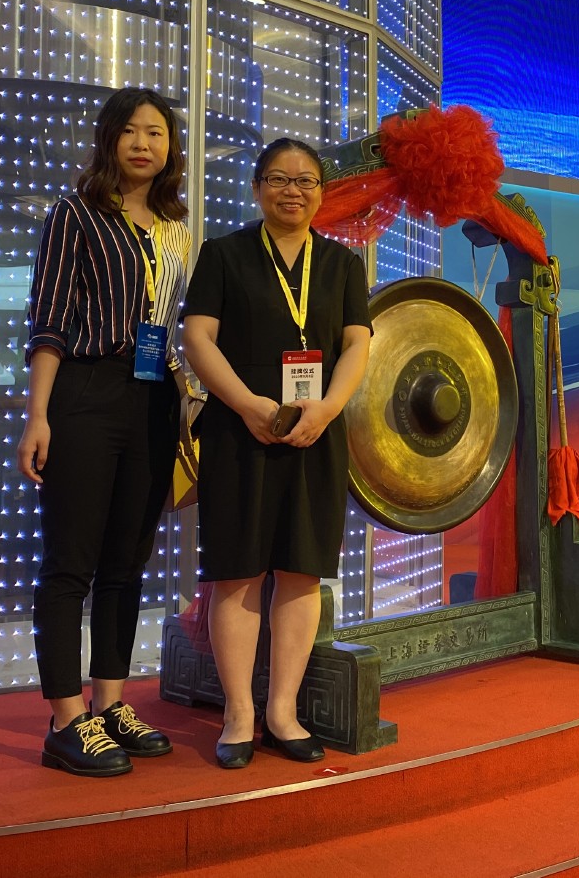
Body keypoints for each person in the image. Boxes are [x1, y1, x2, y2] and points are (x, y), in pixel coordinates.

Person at [16, 87, 192, 777]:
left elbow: (174, 325)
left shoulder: (177, 227)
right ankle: (65, 720)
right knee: (70, 564)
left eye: (157, 132)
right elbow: (50, 321)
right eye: (131, 131)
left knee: (127, 562)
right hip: (86, 391)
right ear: (109, 139)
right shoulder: (75, 212)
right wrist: (38, 414)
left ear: (171, 147)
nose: (144, 144)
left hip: (153, 398)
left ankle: (110, 704)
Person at [183, 138, 372, 769]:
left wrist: (327, 409)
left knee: (300, 572)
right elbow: (197, 339)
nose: (293, 191)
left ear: (321, 192)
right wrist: (248, 406)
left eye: (306, 181)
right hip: (239, 432)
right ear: (257, 187)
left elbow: (357, 345)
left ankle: (282, 712)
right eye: (279, 179)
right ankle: (238, 714)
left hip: (316, 434)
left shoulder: (343, 264)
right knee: (235, 573)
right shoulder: (223, 254)